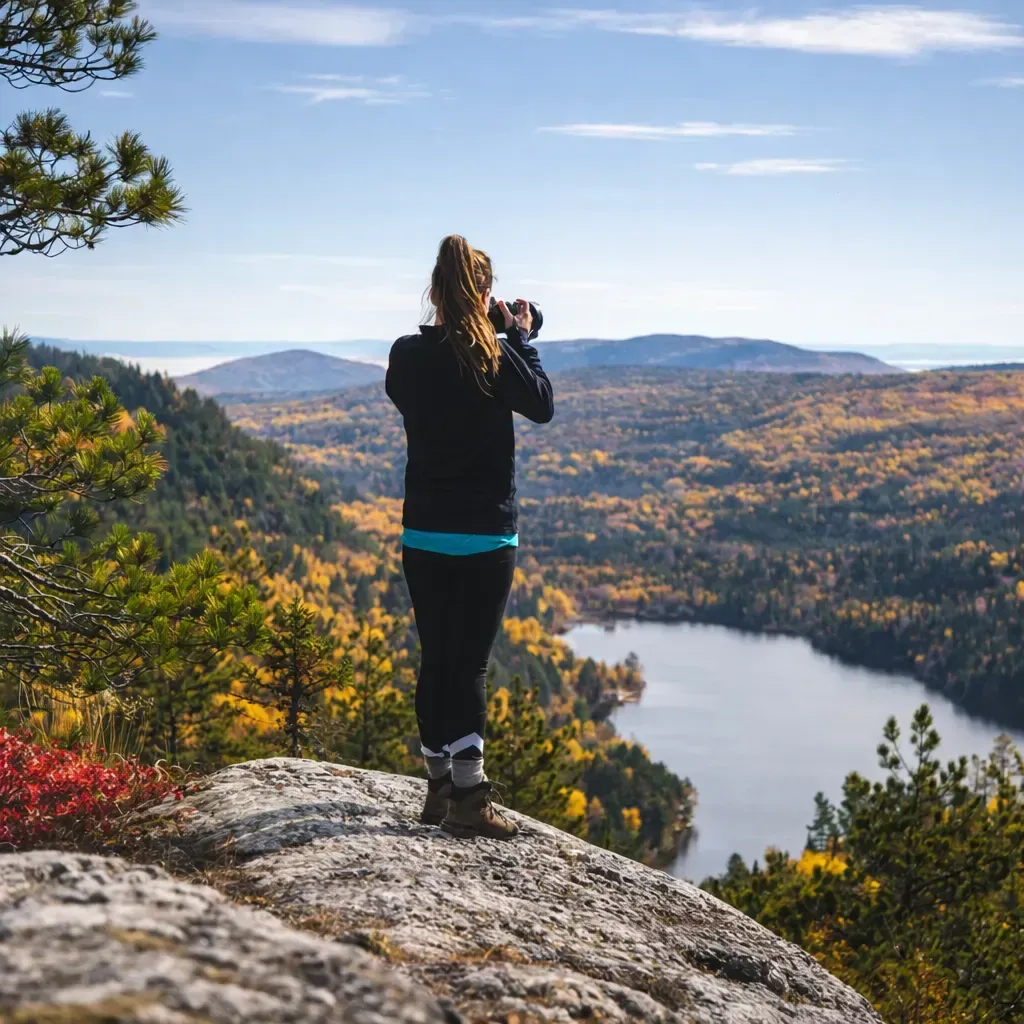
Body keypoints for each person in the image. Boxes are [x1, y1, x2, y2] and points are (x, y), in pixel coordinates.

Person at [385, 234, 554, 839]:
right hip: (485, 535)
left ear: (432, 292)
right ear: (485, 296)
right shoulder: (498, 358)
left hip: (425, 531)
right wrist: (520, 338)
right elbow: (542, 406)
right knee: (470, 665)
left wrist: (480, 328)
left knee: (436, 657)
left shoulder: (406, 354)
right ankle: (469, 797)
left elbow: (408, 390)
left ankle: (437, 784)